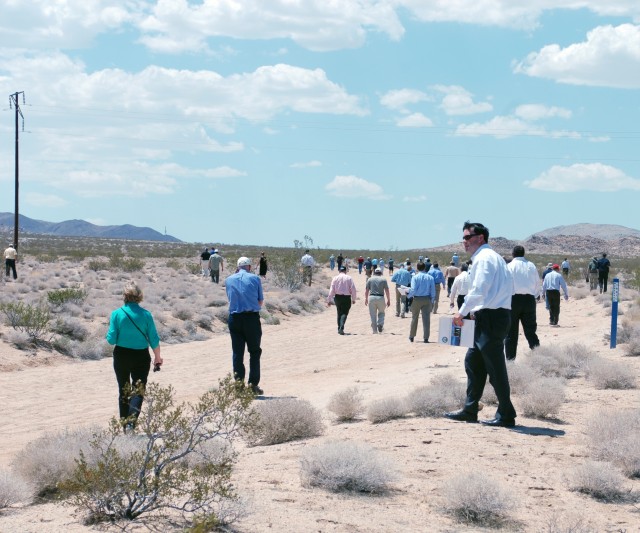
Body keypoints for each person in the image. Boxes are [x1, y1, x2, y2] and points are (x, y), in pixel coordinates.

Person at [445, 221, 517, 428]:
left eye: (468, 237)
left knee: (495, 368)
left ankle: (506, 414)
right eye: (464, 238)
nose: (464, 242)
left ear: (480, 238)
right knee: (473, 363)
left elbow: (479, 290)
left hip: (491, 317)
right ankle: (470, 409)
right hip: (489, 316)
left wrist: (461, 312)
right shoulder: (490, 258)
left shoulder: (485, 259)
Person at [106, 281, 162, 430]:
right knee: (138, 390)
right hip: (141, 356)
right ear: (139, 297)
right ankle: (131, 423)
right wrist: (158, 358)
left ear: (124, 296)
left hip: (121, 355)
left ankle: (125, 426)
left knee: (124, 390)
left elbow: (111, 340)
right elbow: (154, 339)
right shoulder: (146, 315)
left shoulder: (116, 314)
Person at [226, 257, 264, 395]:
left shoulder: (229, 280)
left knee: (237, 353)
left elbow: (229, 298)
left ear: (237, 267)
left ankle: (239, 386)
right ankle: (253, 385)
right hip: (251, 319)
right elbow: (260, 302)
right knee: (254, 352)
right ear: (249, 266)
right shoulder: (255, 279)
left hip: (234, 318)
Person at [504, 245, 540, 361]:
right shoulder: (531, 265)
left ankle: (510, 361)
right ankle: (539, 357)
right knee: (531, 331)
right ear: (523, 254)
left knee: (511, 333)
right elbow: (537, 283)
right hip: (529, 300)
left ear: (513, 254)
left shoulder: (509, 266)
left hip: (513, 300)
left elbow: (505, 284)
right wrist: (535, 295)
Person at [407, 261, 435, 343]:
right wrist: (432, 300)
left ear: (417, 268)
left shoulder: (415, 277)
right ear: (425, 268)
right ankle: (426, 338)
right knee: (426, 319)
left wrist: (408, 296)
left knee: (414, 318)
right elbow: (433, 291)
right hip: (427, 299)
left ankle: (412, 336)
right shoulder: (430, 278)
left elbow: (413, 289)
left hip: (417, 299)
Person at [326, 265, 357, 335]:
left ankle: (339, 327)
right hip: (346, 297)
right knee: (344, 312)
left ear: (339, 271)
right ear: (345, 271)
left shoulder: (335, 278)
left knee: (339, 312)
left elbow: (332, 290)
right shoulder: (349, 278)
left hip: (337, 297)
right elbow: (353, 289)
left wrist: (329, 300)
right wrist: (354, 299)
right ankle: (341, 327)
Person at [365, 267, 391, 333]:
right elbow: (387, 290)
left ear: (374, 272)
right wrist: (388, 299)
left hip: (371, 297)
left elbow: (367, 290)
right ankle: (380, 324)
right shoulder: (383, 279)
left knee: (373, 315)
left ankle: (374, 330)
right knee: (381, 312)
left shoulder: (370, 279)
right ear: (381, 273)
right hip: (380, 297)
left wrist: (366, 299)